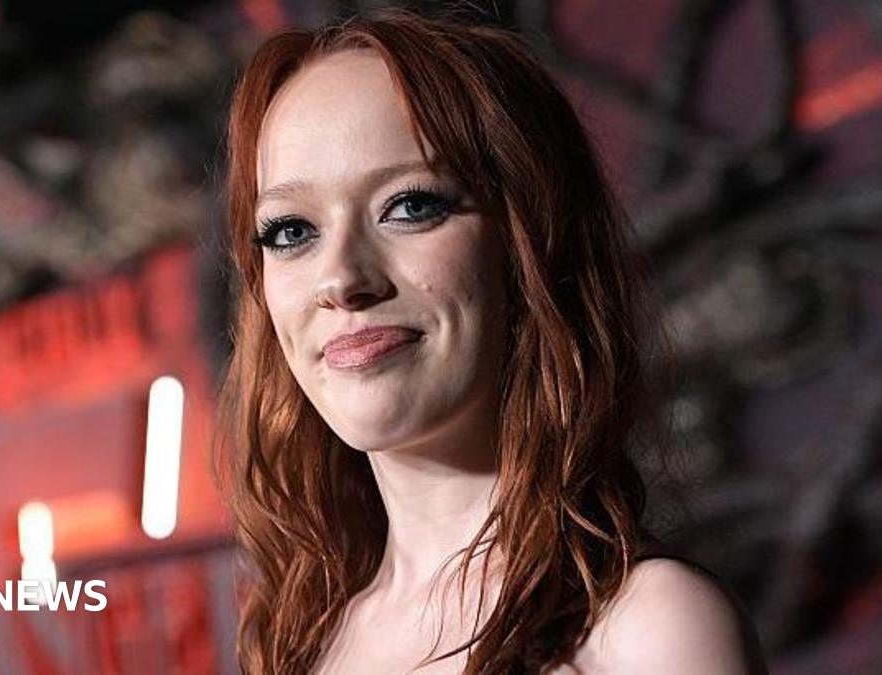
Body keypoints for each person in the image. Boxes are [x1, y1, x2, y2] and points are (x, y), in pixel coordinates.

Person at [217, 9, 766, 674]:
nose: (340, 278)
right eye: (291, 231)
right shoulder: (296, 646)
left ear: (531, 239)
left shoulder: (645, 630)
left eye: (410, 205)